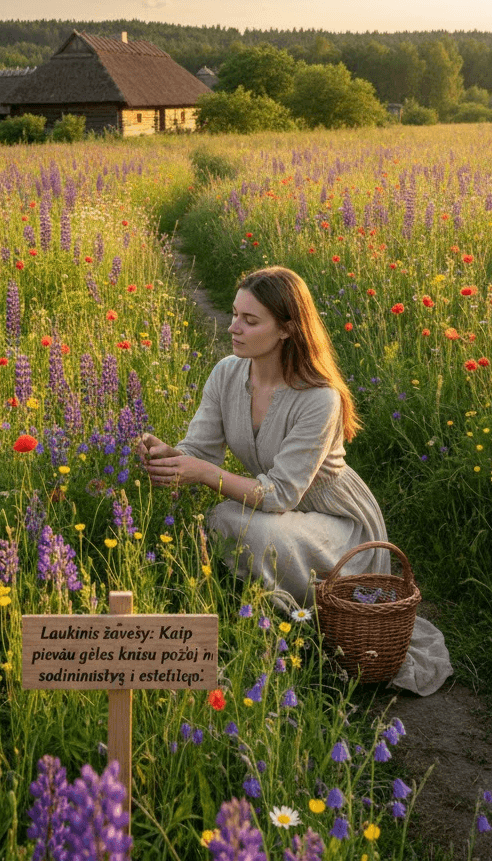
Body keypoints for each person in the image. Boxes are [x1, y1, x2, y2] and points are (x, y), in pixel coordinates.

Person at [136, 266, 451, 696]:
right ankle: (266, 617)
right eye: (234, 315)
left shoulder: (319, 397)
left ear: (286, 329)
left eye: (250, 320)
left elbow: (280, 494)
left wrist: (204, 474)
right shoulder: (227, 373)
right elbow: (200, 451)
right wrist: (168, 458)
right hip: (277, 509)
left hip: (334, 520)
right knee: (232, 521)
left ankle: (294, 620)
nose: (233, 327)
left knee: (233, 521)